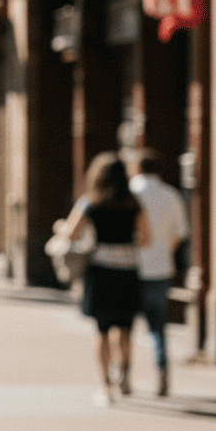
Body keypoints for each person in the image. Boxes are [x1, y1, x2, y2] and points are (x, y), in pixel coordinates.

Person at [58, 151, 150, 406]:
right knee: (125, 329)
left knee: (102, 329)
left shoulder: (90, 202)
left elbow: (71, 233)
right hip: (129, 270)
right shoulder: (134, 203)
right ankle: (125, 377)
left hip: (101, 271)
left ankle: (105, 386)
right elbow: (146, 238)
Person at [127, 151, 188, 397]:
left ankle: (123, 374)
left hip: (131, 267)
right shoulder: (171, 194)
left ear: (136, 168)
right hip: (161, 268)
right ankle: (162, 372)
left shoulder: (129, 192)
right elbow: (180, 233)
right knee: (158, 325)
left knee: (125, 325)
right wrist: (163, 251)